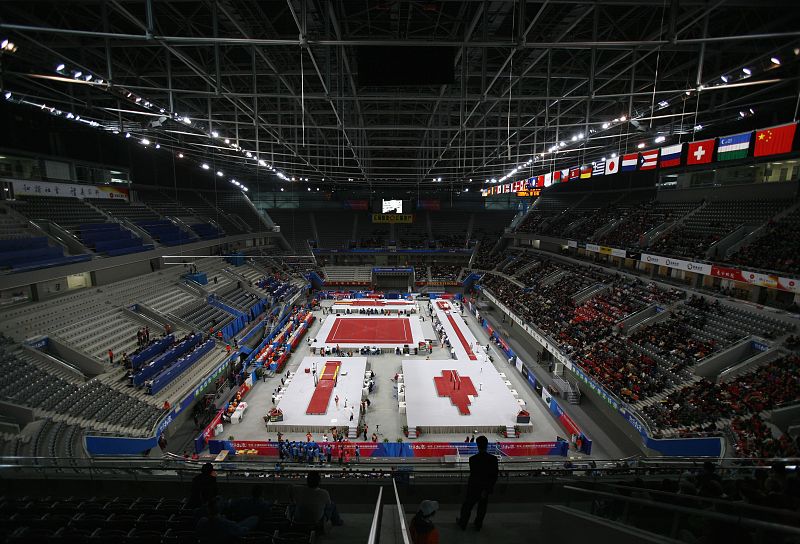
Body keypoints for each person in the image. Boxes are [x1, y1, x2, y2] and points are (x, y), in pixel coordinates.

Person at [456, 436, 498, 531]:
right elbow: (494, 476)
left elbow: (475, 475)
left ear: (477, 445)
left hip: (474, 488)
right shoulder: (493, 459)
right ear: (487, 445)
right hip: (485, 489)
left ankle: (463, 523)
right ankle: (478, 524)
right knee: (482, 508)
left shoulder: (473, 459)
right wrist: (487, 489)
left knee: (467, 507)